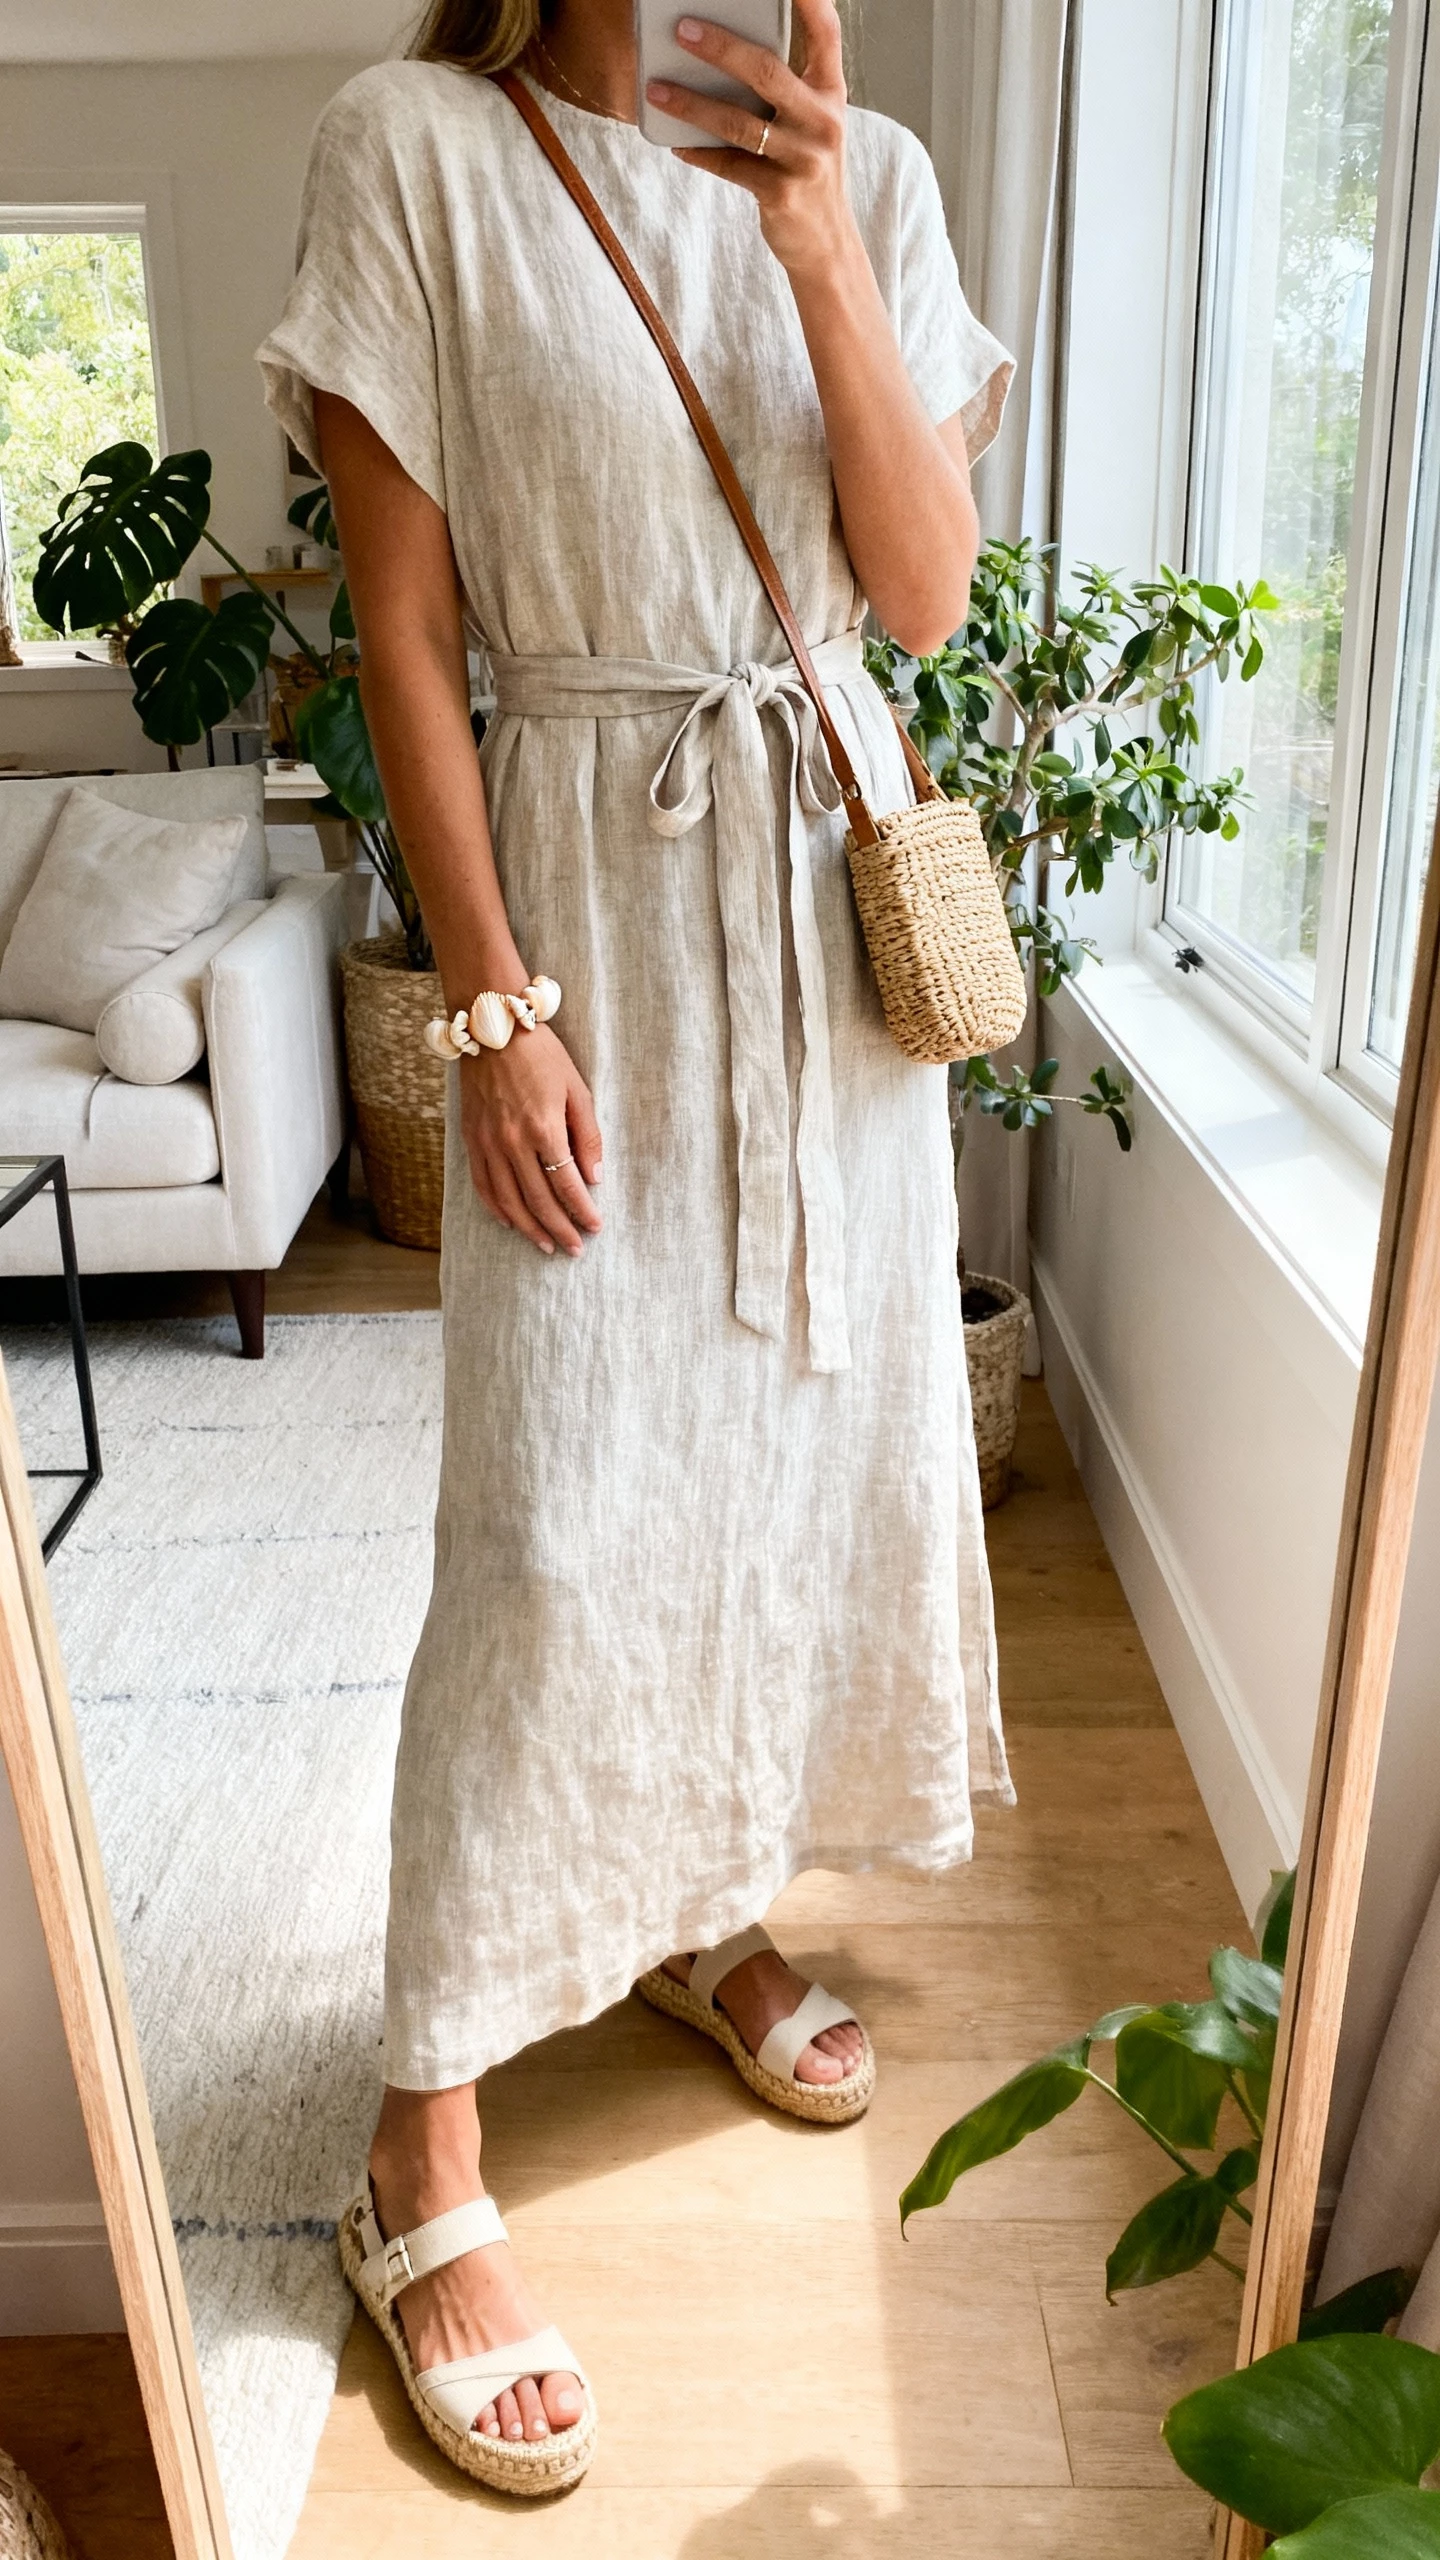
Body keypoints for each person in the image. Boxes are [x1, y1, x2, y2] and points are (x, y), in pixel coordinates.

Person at [257, 0, 1013, 2495]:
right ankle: (421, 2144)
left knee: (801, 1469)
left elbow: (918, 597)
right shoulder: (420, 152)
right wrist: (490, 1011)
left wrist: (809, 240)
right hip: (586, 911)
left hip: (827, 950)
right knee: (557, 1526)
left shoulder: (865, 173)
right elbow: (407, 641)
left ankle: (706, 1904)